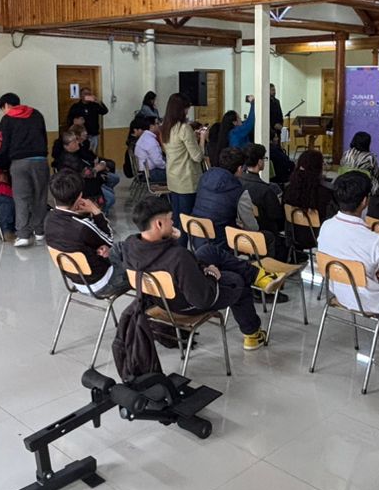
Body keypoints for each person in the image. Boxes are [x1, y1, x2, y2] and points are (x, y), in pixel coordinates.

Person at [122, 193, 269, 350]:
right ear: (159, 223)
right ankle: (253, 334)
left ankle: (258, 275)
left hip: (161, 299)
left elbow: (163, 259)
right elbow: (202, 299)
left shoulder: (129, 246)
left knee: (208, 251)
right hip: (183, 305)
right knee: (237, 281)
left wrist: (172, 241)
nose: (173, 222)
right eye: (170, 219)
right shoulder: (178, 257)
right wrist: (212, 275)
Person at [314, 172, 379, 317]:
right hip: (371, 301)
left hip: (340, 294)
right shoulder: (375, 240)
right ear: (365, 201)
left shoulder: (326, 226)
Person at [43, 170, 127, 296]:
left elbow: (73, 243)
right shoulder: (82, 227)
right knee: (141, 263)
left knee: (121, 247)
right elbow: (109, 240)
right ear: (80, 197)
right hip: (102, 284)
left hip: (78, 280)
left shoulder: (48, 219)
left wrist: (96, 250)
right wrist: (95, 211)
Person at [0, 92, 50, 247]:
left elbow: (3, 144)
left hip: (19, 163)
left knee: (21, 198)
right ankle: (39, 232)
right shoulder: (36, 114)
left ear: (5, 105)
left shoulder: (7, 118)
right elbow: (44, 137)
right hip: (40, 160)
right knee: (40, 196)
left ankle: (23, 235)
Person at [161, 93, 207, 236]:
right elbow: (197, 157)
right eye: (187, 108)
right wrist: (202, 139)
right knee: (187, 221)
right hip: (187, 180)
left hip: (173, 177)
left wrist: (193, 138)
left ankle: (175, 245)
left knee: (176, 218)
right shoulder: (184, 128)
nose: (188, 111)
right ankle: (183, 246)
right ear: (181, 109)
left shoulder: (165, 127)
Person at [237, 144, 290, 258]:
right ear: (260, 162)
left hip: (241, 232)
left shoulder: (237, 182)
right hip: (264, 232)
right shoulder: (266, 190)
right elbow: (277, 215)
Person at [283, 147, 336, 256]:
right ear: (319, 168)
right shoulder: (326, 193)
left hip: (294, 237)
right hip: (318, 238)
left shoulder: (289, 189)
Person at [52, 128, 117, 211]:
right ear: (66, 146)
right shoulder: (68, 159)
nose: (78, 142)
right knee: (110, 198)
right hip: (81, 188)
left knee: (110, 190)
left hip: (87, 184)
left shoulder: (74, 154)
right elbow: (87, 173)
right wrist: (98, 168)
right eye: (74, 141)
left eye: (77, 140)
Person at [133, 117, 167, 183]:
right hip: (149, 174)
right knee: (177, 173)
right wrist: (167, 166)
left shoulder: (145, 137)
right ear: (151, 126)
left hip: (145, 172)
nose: (159, 125)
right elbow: (157, 161)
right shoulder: (150, 140)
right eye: (157, 123)